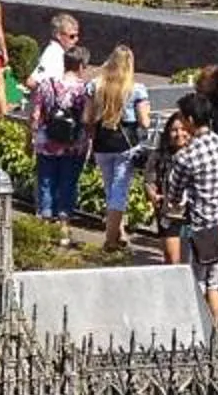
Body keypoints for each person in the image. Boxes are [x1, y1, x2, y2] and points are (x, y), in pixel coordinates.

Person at [164, 90, 218, 311]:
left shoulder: (186, 156)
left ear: (191, 120)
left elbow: (174, 194)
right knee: (214, 286)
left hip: (198, 226)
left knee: (197, 284)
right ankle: (217, 336)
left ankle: (200, 335)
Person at [87, 46, 153, 256]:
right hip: (126, 144)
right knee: (119, 191)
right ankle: (109, 239)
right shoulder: (136, 89)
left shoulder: (96, 86)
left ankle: (119, 232)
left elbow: (87, 118)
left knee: (110, 189)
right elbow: (144, 121)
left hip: (102, 142)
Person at [27, 36, 91, 236]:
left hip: (46, 142)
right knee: (68, 183)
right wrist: (89, 141)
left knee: (46, 181)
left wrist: (31, 137)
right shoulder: (84, 89)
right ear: (81, 65)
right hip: (74, 144)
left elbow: (36, 114)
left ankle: (44, 225)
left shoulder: (47, 84)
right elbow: (88, 119)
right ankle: (64, 227)